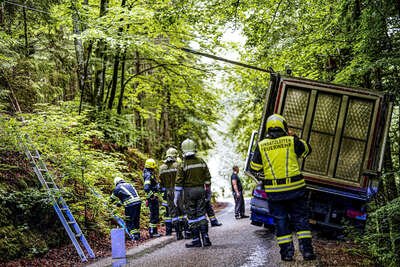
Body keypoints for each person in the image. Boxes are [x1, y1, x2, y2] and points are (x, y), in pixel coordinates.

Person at [249, 114, 316, 261]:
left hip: (275, 192)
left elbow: (254, 166)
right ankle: (307, 252)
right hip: (296, 189)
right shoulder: (292, 141)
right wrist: (296, 136)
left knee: (281, 222)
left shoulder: (262, 145)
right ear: (284, 127)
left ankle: (286, 254)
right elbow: (307, 151)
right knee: (301, 220)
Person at [174, 138, 212, 247]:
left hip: (189, 193)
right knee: (201, 214)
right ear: (194, 149)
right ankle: (206, 238)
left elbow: (179, 182)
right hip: (201, 190)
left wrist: (176, 197)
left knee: (192, 216)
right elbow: (208, 178)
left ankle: (196, 240)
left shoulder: (183, 164)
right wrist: (208, 192)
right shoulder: (201, 161)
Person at [159, 147, 184, 240]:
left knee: (173, 213)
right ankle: (187, 231)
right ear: (175, 155)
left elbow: (161, 183)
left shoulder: (161, 168)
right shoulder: (178, 165)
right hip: (179, 192)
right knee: (183, 211)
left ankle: (178, 234)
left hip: (168, 192)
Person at [110, 176, 142, 240]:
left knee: (129, 221)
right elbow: (128, 196)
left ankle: (134, 236)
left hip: (130, 205)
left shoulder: (117, 188)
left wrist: (108, 205)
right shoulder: (129, 184)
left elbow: (111, 200)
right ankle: (137, 235)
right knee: (136, 219)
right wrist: (120, 203)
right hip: (138, 202)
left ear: (116, 183)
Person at [143, 158, 161, 238]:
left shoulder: (148, 173)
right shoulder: (148, 175)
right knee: (153, 215)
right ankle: (152, 232)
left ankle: (154, 231)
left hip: (151, 198)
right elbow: (146, 188)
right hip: (152, 199)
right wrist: (152, 196)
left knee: (154, 215)